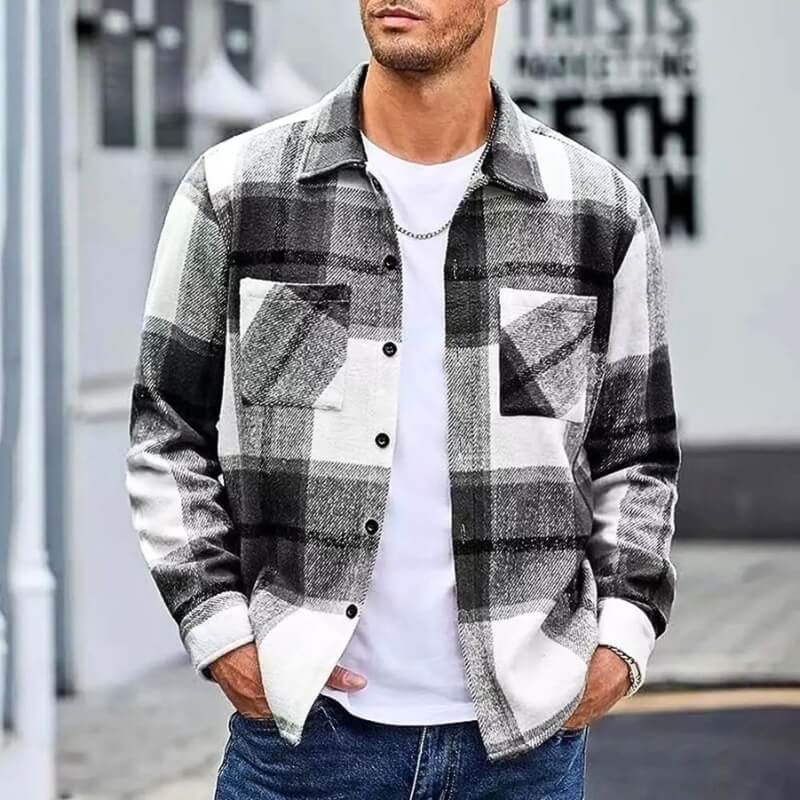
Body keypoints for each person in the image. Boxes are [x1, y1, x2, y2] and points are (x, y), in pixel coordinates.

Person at [125, 1, 681, 797]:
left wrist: (621, 640)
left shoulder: (597, 211)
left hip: (521, 752)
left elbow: (638, 454)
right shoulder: (237, 190)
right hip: (305, 747)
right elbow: (165, 431)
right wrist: (218, 630)